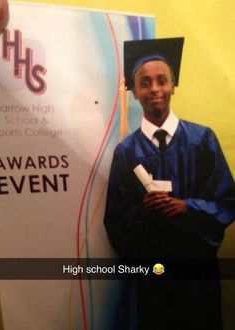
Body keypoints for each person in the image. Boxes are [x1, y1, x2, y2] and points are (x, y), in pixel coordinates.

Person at [104, 38, 235, 330]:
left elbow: (227, 201)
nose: (154, 89)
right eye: (145, 82)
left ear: (173, 85)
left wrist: (187, 207)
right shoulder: (126, 153)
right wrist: (141, 212)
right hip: (153, 277)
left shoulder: (202, 141)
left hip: (197, 272)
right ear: (135, 92)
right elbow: (114, 219)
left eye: (161, 80)